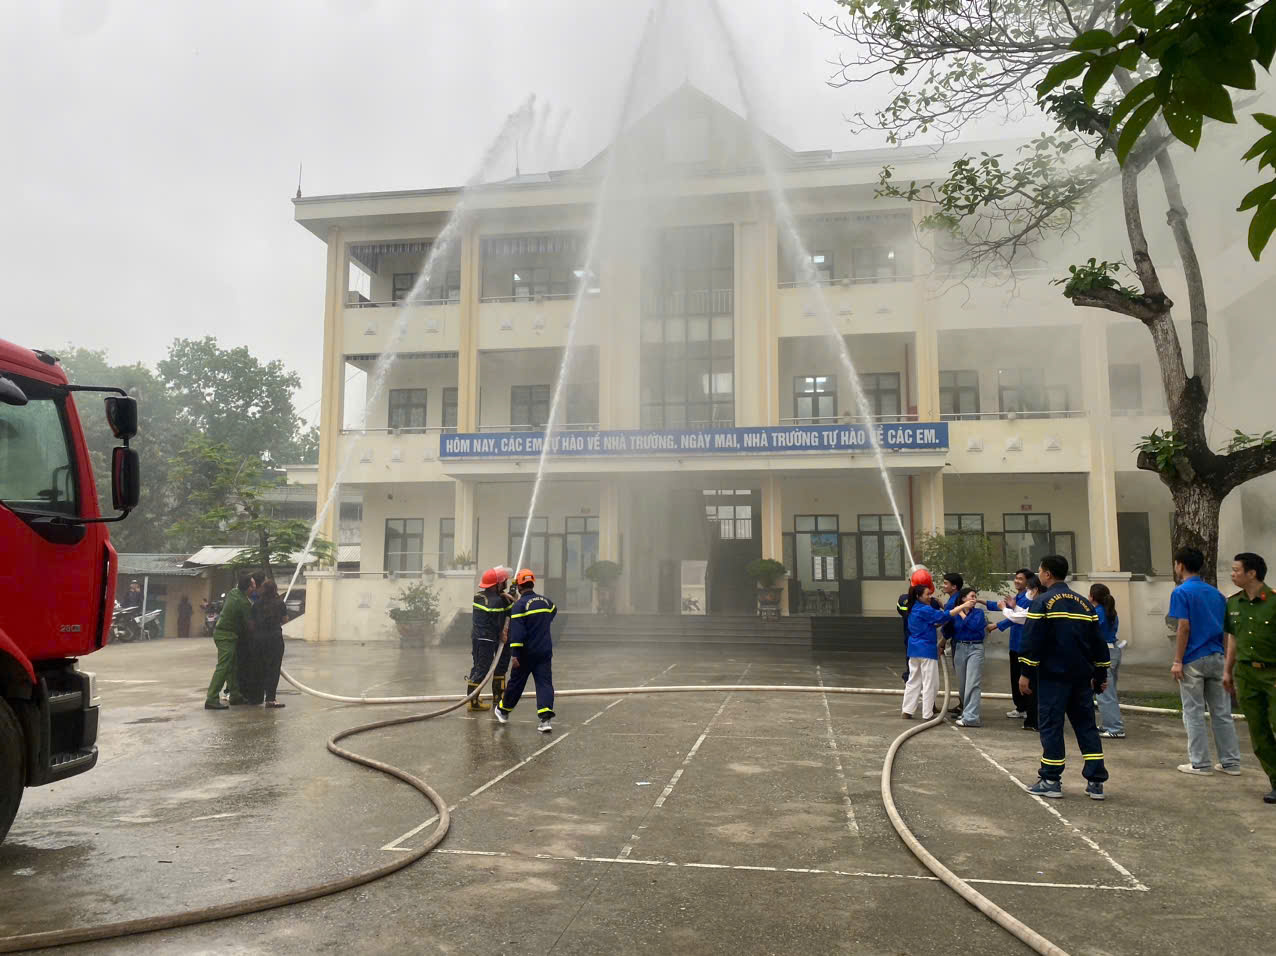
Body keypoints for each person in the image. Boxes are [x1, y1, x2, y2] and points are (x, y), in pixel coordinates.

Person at [1018, 555, 1111, 800]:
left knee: (1051, 725)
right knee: (1086, 726)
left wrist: (1026, 673)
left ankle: (1050, 779)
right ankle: (1096, 782)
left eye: (1040, 570)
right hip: (1081, 678)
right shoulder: (1084, 604)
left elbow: (1032, 640)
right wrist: (1100, 674)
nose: (1038, 574)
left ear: (1047, 574)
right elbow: (1098, 643)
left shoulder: (1043, 602)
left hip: (1052, 677)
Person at [1169, 547, 1241, 776]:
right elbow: (1227, 630)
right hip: (1217, 655)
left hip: (1192, 659)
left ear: (1180, 565)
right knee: (1222, 712)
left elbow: (1184, 627)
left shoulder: (1181, 592)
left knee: (1193, 712)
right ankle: (1231, 762)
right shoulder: (1216, 594)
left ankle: (1199, 762)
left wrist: (1178, 660)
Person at [1224, 552, 1276, 804]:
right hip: (1246, 674)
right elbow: (1233, 638)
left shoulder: (1274, 601)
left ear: (1251, 573)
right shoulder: (1233, 603)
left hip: (1273, 672)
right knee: (1258, 732)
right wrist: (1227, 670)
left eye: (1236, 570)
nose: (1232, 574)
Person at [901, 582, 975, 721]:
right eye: (927, 594)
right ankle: (927, 714)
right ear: (918, 596)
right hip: (926, 649)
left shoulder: (913, 608)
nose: (930, 596)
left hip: (914, 649)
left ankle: (907, 710)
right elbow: (943, 616)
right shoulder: (925, 609)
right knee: (931, 683)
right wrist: (963, 606)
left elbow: (933, 622)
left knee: (913, 680)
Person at [495, 569, 557, 732]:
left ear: (520, 587)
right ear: (532, 583)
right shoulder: (545, 601)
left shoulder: (520, 606)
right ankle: (545, 721)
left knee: (516, 684)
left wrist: (515, 654)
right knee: (544, 684)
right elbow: (553, 610)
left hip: (525, 654)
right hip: (544, 651)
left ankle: (503, 710)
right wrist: (541, 623)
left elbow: (518, 633)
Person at [987, 569, 1033, 721]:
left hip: (1023, 645)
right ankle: (1021, 707)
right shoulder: (1018, 597)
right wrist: (981, 602)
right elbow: (1003, 606)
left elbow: (1014, 617)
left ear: (1028, 581)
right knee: (1015, 677)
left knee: (1024, 678)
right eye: (1016, 578)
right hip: (1014, 644)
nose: (1017, 581)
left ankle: (1027, 708)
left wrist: (996, 625)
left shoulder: (1028, 598)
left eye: (1020, 579)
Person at [999, 574, 1044, 731]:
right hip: (1036, 651)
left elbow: (1019, 617)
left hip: (1034, 652)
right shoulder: (1039, 602)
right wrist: (1012, 606)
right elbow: (1023, 613)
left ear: (1035, 590)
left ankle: (1034, 721)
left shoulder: (1039, 604)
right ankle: (1033, 719)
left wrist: (1005, 608)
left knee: (1032, 686)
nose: (1028, 592)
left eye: (1030, 589)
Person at [205, 573, 254, 710]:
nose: (255, 586)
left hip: (223, 633)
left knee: (232, 666)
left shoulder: (233, 592)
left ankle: (235, 695)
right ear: (249, 588)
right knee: (224, 666)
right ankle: (211, 698)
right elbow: (249, 625)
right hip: (226, 635)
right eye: (253, 584)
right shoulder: (243, 603)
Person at [469, 567, 514, 712]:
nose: (505, 582)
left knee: (479, 667)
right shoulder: (498, 602)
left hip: (478, 637)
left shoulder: (480, 596)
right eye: (503, 581)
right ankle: (475, 703)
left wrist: (504, 596)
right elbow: (505, 616)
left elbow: (497, 604)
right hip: (489, 639)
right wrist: (512, 599)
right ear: (497, 584)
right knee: (486, 669)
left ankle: (476, 699)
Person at [1090, 583, 1125, 739]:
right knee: (1109, 691)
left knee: (1104, 692)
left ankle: (1115, 727)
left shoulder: (1096, 613)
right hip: (1114, 651)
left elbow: (1091, 633)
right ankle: (1109, 724)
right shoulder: (1111, 612)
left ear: (1091, 597)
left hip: (1103, 653)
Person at [951, 586, 987, 727]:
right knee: (962, 684)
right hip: (960, 647)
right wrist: (941, 644)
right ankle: (967, 712)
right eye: (972, 596)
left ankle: (971, 718)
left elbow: (974, 627)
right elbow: (949, 629)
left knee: (973, 682)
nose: (974, 599)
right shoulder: (955, 613)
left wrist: (961, 613)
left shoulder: (978, 613)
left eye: (975, 596)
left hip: (975, 648)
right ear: (963, 598)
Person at [898, 566, 939, 682]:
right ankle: (927, 700)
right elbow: (940, 617)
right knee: (928, 680)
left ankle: (915, 698)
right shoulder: (933, 604)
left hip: (912, 644)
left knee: (913, 677)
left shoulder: (903, 600)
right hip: (927, 646)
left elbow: (901, 610)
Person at [252, 579, 289, 709]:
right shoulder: (280, 603)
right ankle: (270, 699)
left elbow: (252, 622)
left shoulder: (256, 604)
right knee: (273, 669)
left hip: (259, 639)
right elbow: (285, 620)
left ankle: (256, 697)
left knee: (259, 668)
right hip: (274, 638)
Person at [939, 572, 964, 715]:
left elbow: (949, 623)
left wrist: (942, 642)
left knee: (961, 674)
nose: (943, 585)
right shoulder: (958, 598)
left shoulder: (953, 602)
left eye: (946, 583)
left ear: (954, 586)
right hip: (962, 640)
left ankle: (964, 705)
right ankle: (963, 704)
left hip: (959, 641)